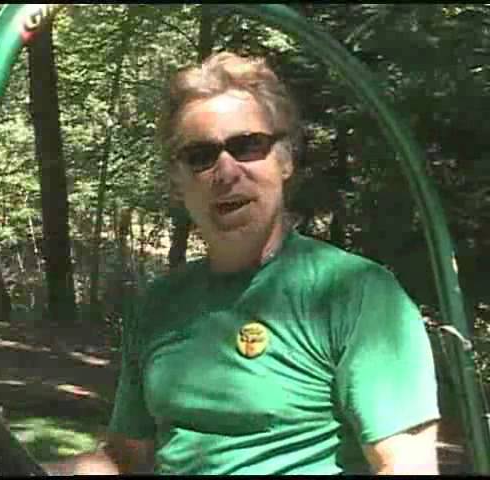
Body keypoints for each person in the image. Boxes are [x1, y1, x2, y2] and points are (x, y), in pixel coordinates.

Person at [65, 51, 441, 475]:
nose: (226, 171)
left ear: (286, 159)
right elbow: (124, 459)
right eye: (200, 155)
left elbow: (407, 466)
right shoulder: (158, 306)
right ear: (177, 180)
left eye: (247, 146)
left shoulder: (356, 293)